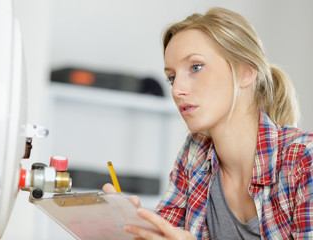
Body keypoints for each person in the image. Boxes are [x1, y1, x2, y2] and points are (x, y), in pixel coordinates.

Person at [103, 7, 313, 239]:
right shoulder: (195, 154)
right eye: (171, 77)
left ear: (245, 71)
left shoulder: (304, 159)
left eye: (195, 67)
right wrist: (136, 228)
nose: (176, 89)